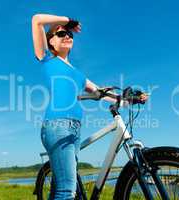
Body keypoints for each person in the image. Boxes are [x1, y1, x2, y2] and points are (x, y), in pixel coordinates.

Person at [31, 13, 148, 200]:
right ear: (50, 42)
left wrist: (130, 99)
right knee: (67, 190)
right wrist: (68, 21)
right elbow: (37, 19)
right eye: (61, 34)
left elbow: (101, 93)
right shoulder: (47, 59)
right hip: (57, 125)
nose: (67, 35)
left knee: (60, 185)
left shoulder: (78, 74)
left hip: (75, 129)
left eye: (69, 34)